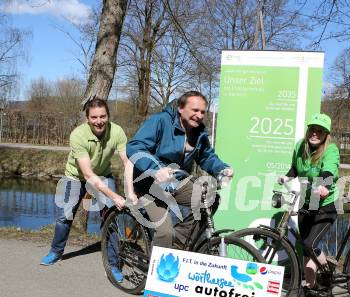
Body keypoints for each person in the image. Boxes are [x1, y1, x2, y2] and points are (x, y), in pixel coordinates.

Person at [40, 98, 137, 283]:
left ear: (108, 116)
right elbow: (87, 173)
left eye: (103, 116)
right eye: (94, 117)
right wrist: (115, 196)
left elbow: (128, 162)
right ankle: (55, 251)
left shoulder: (116, 131)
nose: (99, 121)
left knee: (111, 218)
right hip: (76, 176)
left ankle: (113, 264)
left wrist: (130, 191)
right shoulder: (78, 135)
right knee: (65, 216)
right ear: (87, 118)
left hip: (103, 175)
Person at [126, 90, 233, 249]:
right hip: (150, 184)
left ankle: (178, 243)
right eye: (195, 110)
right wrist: (156, 169)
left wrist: (222, 169)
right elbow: (135, 147)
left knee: (209, 198)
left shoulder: (199, 132)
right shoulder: (160, 121)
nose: (199, 115)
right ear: (181, 109)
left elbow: (206, 157)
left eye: (203, 112)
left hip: (177, 182)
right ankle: (158, 271)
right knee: (165, 233)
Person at [278, 113, 339, 297]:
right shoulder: (300, 146)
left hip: (326, 204)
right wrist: (287, 177)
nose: (314, 133)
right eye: (312, 129)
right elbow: (296, 168)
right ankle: (311, 287)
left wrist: (325, 186)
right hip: (308, 200)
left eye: (320, 131)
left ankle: (328, 273)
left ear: (326, 134)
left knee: (309, 244)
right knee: (305, 248)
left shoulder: (331, 150)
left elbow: (330, 170)